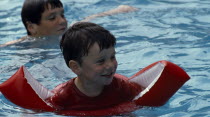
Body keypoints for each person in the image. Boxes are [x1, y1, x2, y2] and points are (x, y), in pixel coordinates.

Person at [46, 22, 142, 110]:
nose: (110, 65)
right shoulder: (62, 97)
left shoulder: (122, 88)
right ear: (76, 67)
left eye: (112, 57)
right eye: (101, 61)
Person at [0, 0, 138, 47]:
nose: (62, 21)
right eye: (52, 18)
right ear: (32, 27)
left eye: (62, 14)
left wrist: (118, 10)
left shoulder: (69, 31)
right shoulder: (24, 46)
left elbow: (90, 18)